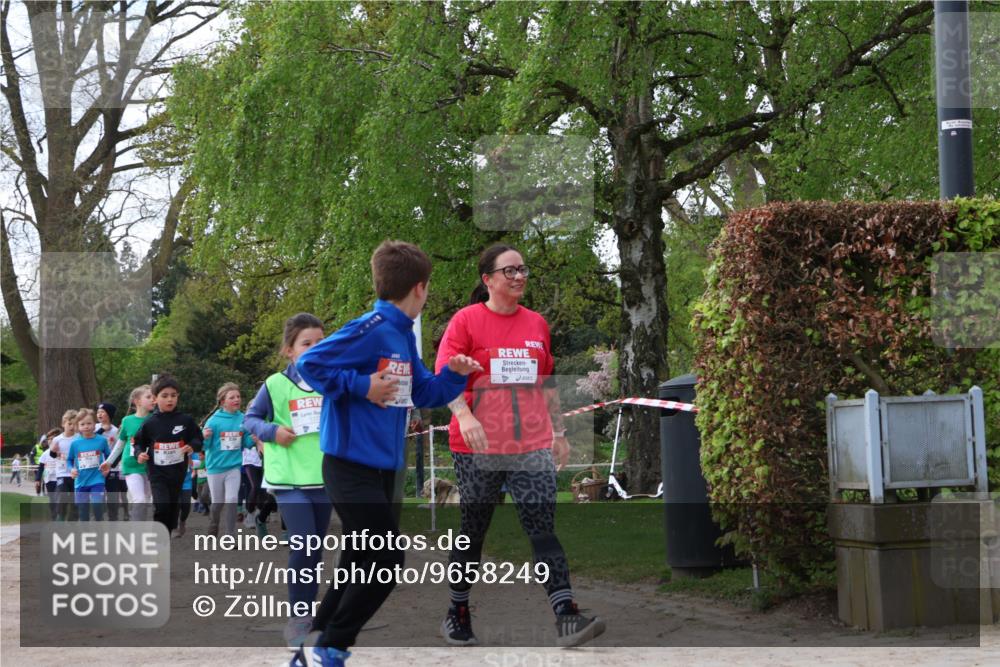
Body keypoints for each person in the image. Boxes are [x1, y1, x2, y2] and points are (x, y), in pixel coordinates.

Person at [294, 240, 482, 667]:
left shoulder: (401, 335)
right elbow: (311, 364)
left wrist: (453, 376)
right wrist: (363, 386)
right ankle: (333, 645)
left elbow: (423, 392)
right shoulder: (372, 326)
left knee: (360, 561)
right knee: (387, 556)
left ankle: (314, 639)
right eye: (429, 287)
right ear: (420, 288)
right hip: (348, 465)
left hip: (382, 471)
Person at [435, 244, 605, 648]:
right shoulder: (466, 322)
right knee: (473, 532)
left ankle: (567, 616)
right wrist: (465, 414)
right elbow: (444, 376)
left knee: (541, 527)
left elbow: (545, 382)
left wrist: (559, 433)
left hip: (529, 444)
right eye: (509, 271)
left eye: (523, 269)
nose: (519, 276)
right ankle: (457, 611)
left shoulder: (537, 324)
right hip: (476, 445)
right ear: (488, 279)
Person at [244, 313, 330, 648]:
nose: (314, 348)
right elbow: (251, 419)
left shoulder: (332, 381)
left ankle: (309, 609)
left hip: (323, 478)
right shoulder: (274, 384)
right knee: (304, 543)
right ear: (289, 351)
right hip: (288, 480)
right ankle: (299, 615)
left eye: (321, 342)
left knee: (315, 549)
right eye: (307, 343)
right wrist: (272, 432)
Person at [133, 375, 204, 535]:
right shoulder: (150, 423)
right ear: (155, 398)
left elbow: (197, 438)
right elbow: (138, 442)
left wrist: (191, 446)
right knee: (162, 505)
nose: (169, 399)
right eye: (164, 396)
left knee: (173, 507)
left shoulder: (185, 420)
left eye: (173, 395)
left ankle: (168, 529)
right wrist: (139, 454)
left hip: (178, 471)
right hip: (157, 472)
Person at [202, 383, 255, 537]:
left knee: (232, 498)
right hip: (215, 467)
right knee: (217, 503)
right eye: (232, 397)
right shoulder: (213, 421)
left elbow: (246, 443)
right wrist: (204, 436)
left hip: (234, 466)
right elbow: (205, 446)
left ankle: (230, 534)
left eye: (238, 396)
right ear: (223, 401)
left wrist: (253, 439)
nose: (236, 399)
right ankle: (213, 524)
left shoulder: (243, 418)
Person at [104, 386, 154, 521]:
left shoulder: (155, 419)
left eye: (154, 397)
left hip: (150, 466)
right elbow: (120, 445)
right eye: (148, 397)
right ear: (137, 401)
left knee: (146, 500)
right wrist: (108, 462)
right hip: (131, 465)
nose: (153, 400)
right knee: (140, 499)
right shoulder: (127, 421)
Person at [67, 409, 111, 521]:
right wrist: (71, 469)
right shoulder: (75, 443)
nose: (86, 426)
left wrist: (107, 467)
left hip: (98, 479)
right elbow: (69, 460)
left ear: (94, 424)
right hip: (81, 481)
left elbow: (109, 457)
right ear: (78, 426)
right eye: (82, 424)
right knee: (83, 512)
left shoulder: (101, 441)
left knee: (97, 506)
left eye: (89, 423)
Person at [95, 402, 126, 521]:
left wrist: (111, 465)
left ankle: (113, 519)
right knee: (98, 496)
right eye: (98, 412)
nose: (99, 414)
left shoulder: (116, 431)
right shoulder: (95, 428)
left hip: (112, 469)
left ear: (109, 414)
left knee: (113, 496)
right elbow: (89, 441)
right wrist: (101, 431)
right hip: (96, 468)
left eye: (102, 412)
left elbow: (120, 450)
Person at [52, 411, 79, 521]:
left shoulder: (78, 438)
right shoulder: (57, 439)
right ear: (63, 424)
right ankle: (60, 518)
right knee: (62, 496)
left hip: (76, 473)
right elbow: (52, 454)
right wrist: (54, 452)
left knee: (75, 500)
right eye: (69, 424)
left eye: (74, 424)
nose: (72, 427)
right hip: (62, 473)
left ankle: (73, 521)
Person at [37, 440, 60, 520]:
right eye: (50, 439)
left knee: (58, 497)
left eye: (54, 438)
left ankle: (58, 515)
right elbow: (41, 467)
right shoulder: (45, 453)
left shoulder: (62, 451)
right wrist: (38, 479)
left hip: (59, 478)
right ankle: (53, 515)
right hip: (49, 479)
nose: (51, 441)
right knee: (52, 498)